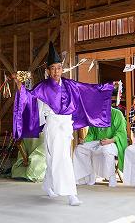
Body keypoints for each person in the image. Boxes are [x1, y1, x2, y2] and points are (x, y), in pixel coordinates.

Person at [13, 42, 114, 206]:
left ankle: (48, 185)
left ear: (62, 69)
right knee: (61, 159)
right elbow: (28, 98)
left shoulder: (69, 84)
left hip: (66, 126)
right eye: (52, 68)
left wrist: (108, 87)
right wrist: (20, 87)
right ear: (47, 71)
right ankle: (71, 194)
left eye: (58, 68)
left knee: (58, 158)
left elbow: (88, 90)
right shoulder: (43, 87)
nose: (55, 71)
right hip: (53, 126)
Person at [73, 107, 128, 187]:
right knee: (79, 149)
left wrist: (111, 140)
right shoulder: (95, 114)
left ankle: (111, 176)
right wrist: (85, 141)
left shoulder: (117, 113)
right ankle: (89, 175)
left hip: (113, 143)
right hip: (99, 142)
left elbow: (121, 132)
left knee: (106, 149)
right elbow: (91, 134)